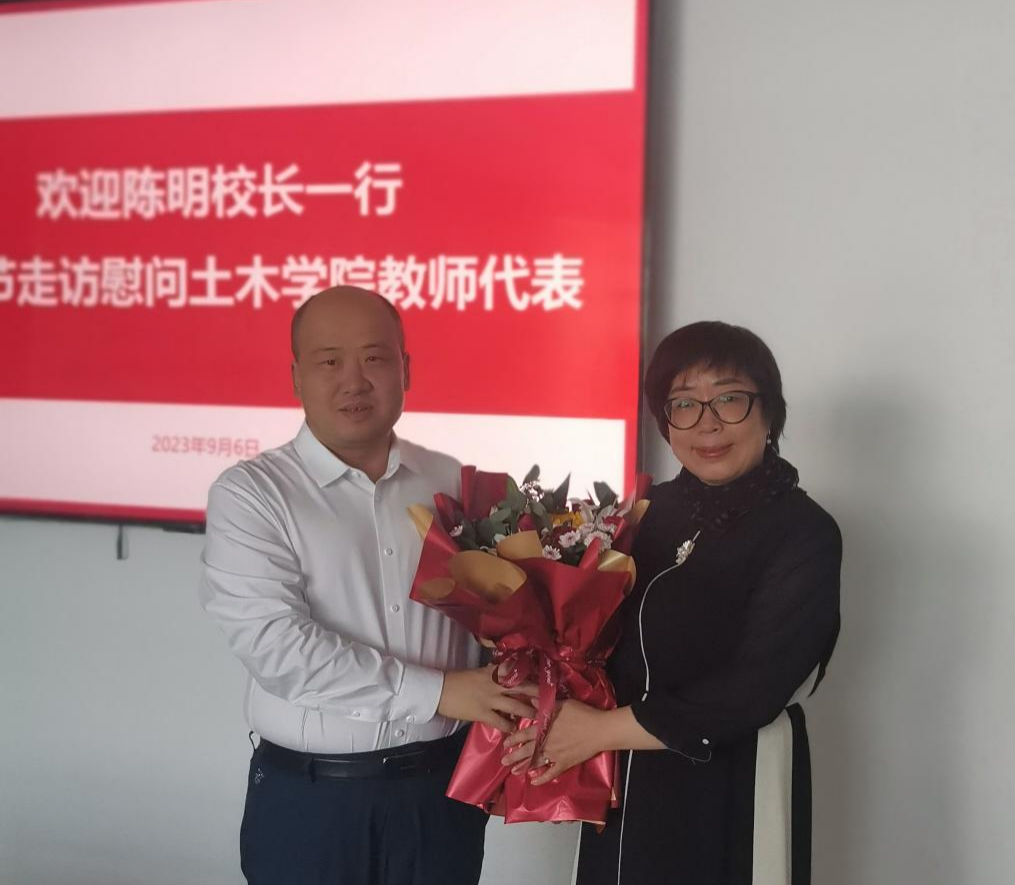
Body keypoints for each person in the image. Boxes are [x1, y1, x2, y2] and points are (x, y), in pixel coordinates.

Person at [198, 286, 535, 885]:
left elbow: (498, 620)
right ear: (296, 377)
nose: (354, 380)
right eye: (329, 360)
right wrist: (440, 693)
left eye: (375, 358)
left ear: (406, 370)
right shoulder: (252, 494)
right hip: (313, 804)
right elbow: (279, 649)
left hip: (441, 798)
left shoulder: (454, 484)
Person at [502, 320, 842, 885]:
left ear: (769, 412)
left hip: (731, 776)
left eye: (729, 399)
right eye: (683, 403)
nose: (707, 423)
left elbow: (756, 686)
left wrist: (600, 731)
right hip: (621, 772)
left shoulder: (803, 531)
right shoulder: (643, 513)